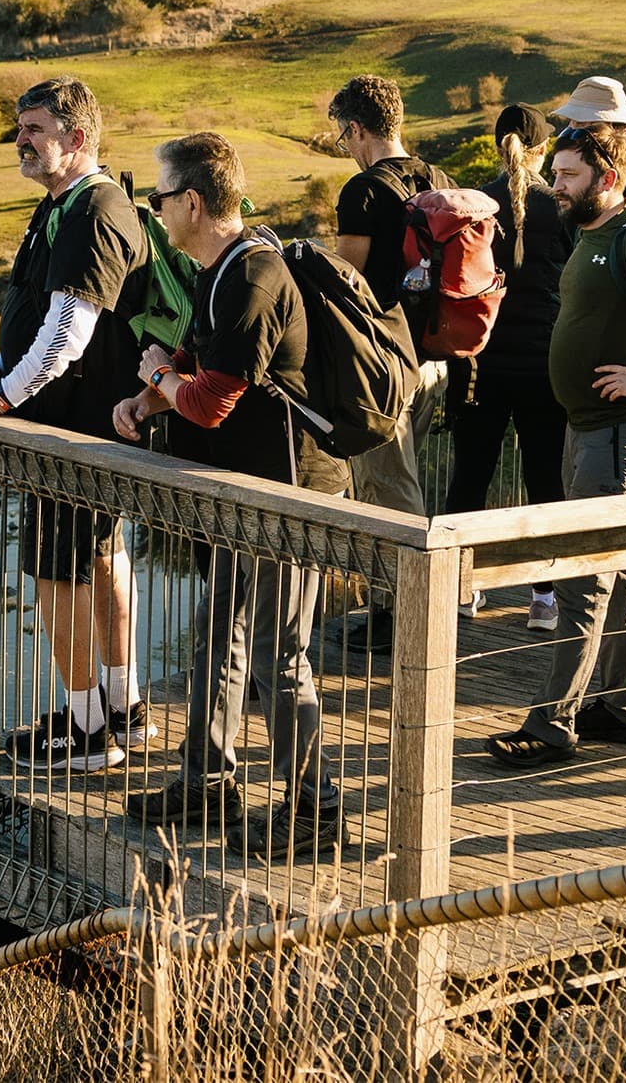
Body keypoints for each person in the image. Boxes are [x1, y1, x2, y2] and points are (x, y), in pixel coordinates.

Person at [113, 133, 350, 857]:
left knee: (281, 653)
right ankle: (207, 781)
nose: (152, 211)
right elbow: (197, 361)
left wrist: (157, 379)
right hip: (248, 496)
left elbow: (209, 399)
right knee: (217, 633)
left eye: (157, 199)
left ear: (192, 201)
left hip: (291, 494)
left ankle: (315, 808)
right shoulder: (216, 273)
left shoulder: (252, 275)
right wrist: (148, 399)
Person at [0, 76, 150, 772]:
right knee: (102, 558)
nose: (19, 140)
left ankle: (87, 732)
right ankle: (122, 709)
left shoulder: (95, 211)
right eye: (19, 127)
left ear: (76, 137)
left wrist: (4, 399)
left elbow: (68, 332)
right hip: (84, 429)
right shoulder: (63, 206)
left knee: (58, 574)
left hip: (70, 437)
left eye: (34, 129)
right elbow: (38, 323)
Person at [486, 123, 626, 767]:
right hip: (589, 428)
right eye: (554, 174)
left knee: (585, 575)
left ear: (606, 179)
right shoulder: (589, 235)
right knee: (621, 569)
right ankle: (621, 706)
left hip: (624, 433)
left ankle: (552, 723)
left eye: (567, 176)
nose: (552, 185)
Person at [444, 104, 571, 632]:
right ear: (543, 150)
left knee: (470, 477)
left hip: (479, 366)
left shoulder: (476, 205)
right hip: (545, 366)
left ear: (500, 147)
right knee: (545, 479)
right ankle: (544, 598)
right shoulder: (563, 207)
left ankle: (459, 590)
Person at [328, 74, 444, 651]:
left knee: (385, 489)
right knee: (405, 480)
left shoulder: (363, 191)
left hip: (383, 362)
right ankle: (403, 605)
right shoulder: (436, 179)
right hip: (435, 359)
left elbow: (345, 283)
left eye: (342, 134)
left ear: (356, 128)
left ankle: (397, 615)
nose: (344, 146)